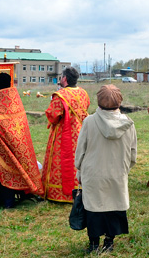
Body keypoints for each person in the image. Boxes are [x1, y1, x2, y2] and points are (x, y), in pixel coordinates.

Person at [75, 85, 137, 254]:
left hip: (93, 174)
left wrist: (79, 170)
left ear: (99, 101)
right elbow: (133, 155)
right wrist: (122, 170)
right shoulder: (128, 124)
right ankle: (109, 242)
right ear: (120, 101)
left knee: (94, 209)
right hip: (117, 174)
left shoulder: (89, 121)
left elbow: (80, 150)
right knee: (114, 207)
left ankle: (94, 244)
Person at [0, 73, 44, 209]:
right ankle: (9, 202)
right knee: (11, 171)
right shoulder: (15, 99)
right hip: (14, 144)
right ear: (10, 83)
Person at [41, 66, 90, 202]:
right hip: (80, 132)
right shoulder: (83, 93)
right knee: (80, 160)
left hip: (64, 134)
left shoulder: (60, 95)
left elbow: (53, 116)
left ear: (65, 79)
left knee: (61, 162)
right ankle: (80, 189)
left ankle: (59, 193)